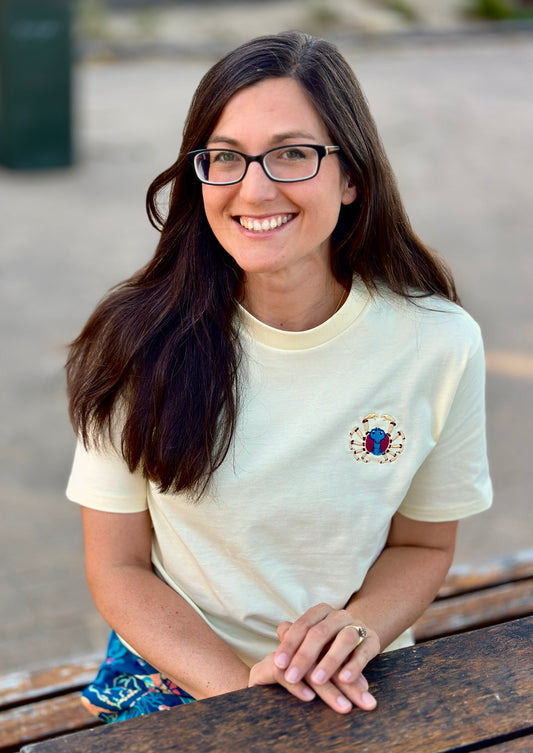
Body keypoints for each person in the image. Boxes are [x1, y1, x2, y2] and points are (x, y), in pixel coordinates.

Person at [65, 30, 492, 722]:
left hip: (356, 673)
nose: (253, 188)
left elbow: (422, 544)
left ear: (350, 175)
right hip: (182, 670)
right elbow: (118, 567)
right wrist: (238, 690)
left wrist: (358, 628)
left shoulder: (438, 343)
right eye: (225, 158)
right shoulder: (137, 339)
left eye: (292, 154)